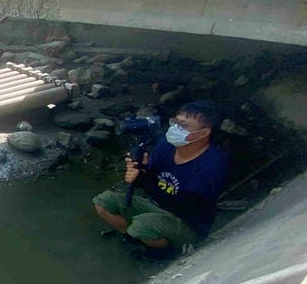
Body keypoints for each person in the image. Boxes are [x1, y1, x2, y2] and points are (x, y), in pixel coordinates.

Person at [93, 101, 229, 258]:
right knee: (104, 202)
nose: (175, 128)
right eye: (175, 122)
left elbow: (186, 205)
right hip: (156, 206)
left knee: (142, 226)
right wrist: (141, 169)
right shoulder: (167, 145)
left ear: (203, 133)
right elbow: (151, 175)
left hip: (187, 222)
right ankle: (134, 239)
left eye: (183, 126)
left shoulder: (212, 164)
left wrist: (143, 181)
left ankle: (164, 253)